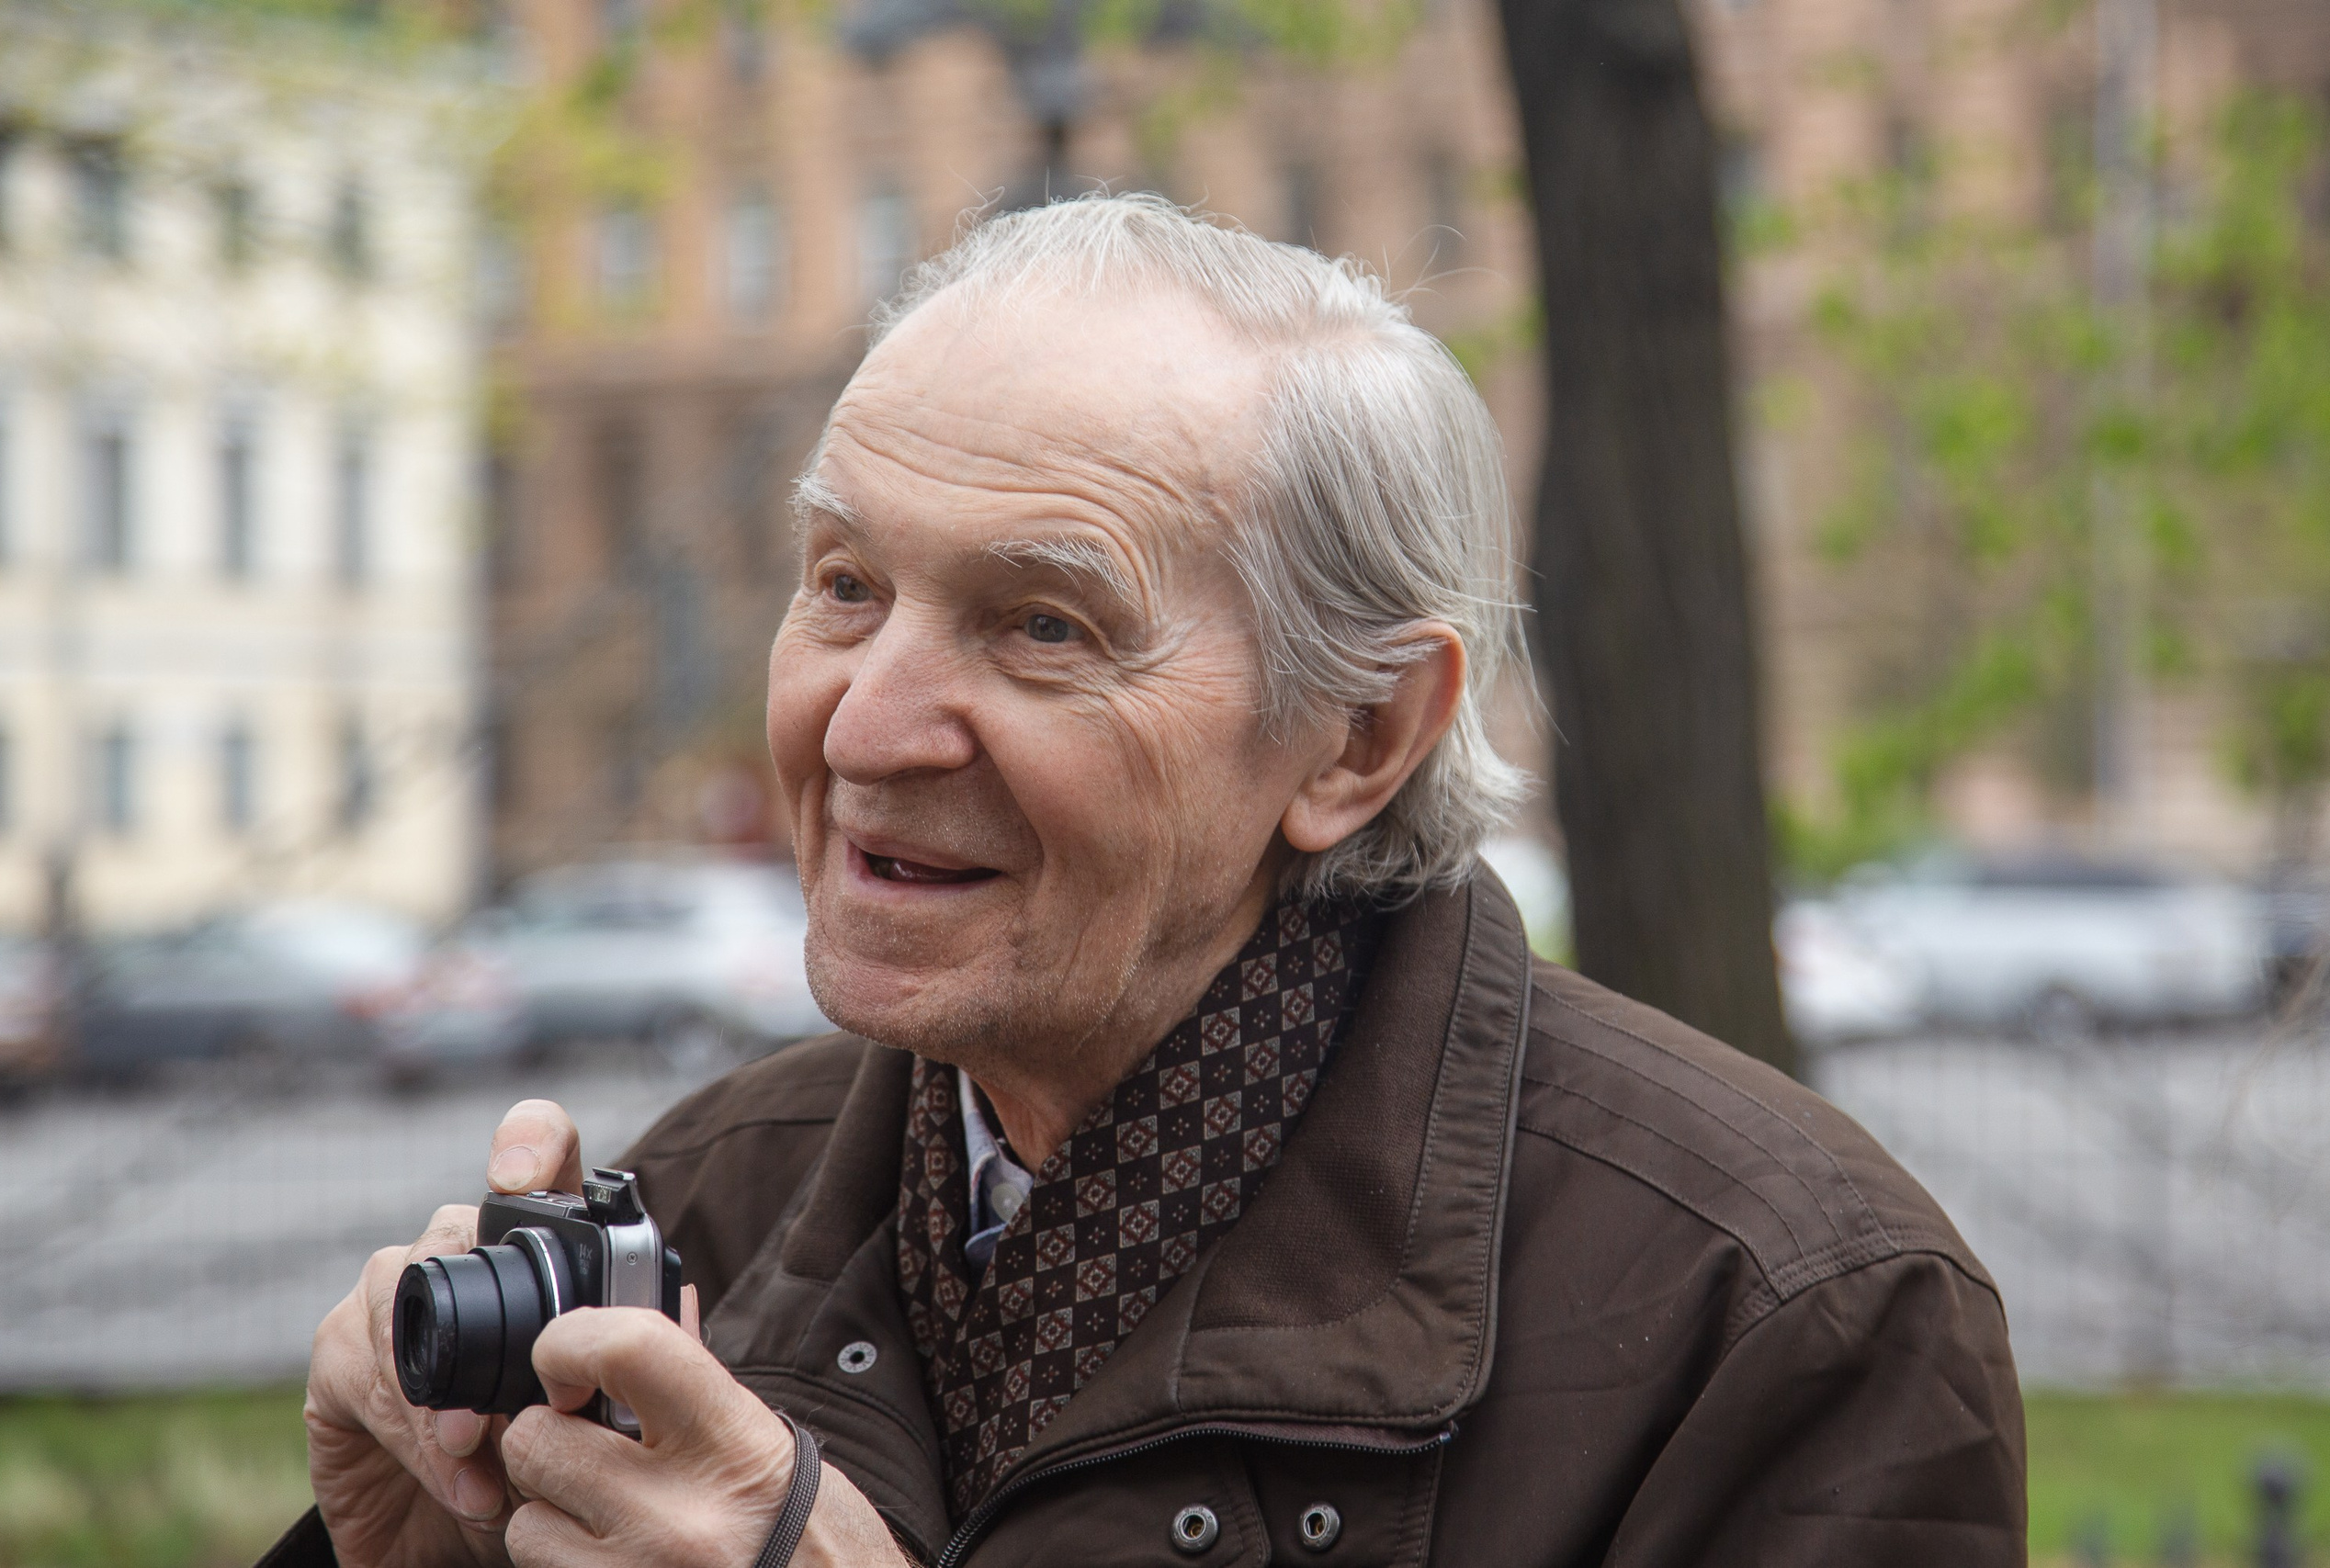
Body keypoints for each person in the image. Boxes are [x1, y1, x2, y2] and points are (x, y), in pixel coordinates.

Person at [266, 194, 2024, 1568]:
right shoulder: (710, 1203)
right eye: (846, 584)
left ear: (1356, 738)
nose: (868, 727)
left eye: (1043, 624)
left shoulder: (1784, 1317)